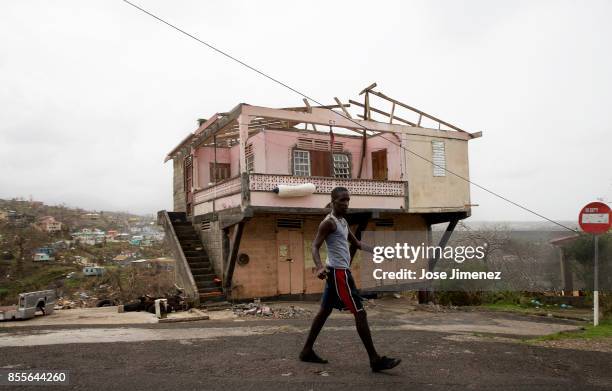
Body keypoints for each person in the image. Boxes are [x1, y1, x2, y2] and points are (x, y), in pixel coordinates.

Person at [299, 186, 401, 372]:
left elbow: (357, 243)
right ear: (333, 201)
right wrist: (320, 267)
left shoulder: (342, 221)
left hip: (339, 273)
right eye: (342, 201)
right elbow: (314, 246)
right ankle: (375, 360)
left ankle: (306, 351)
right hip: (338, 274)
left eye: (348, 200)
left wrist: (380, 252)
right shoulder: (328, 223)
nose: (346, 204)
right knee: (360, 313)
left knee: (324, 312)